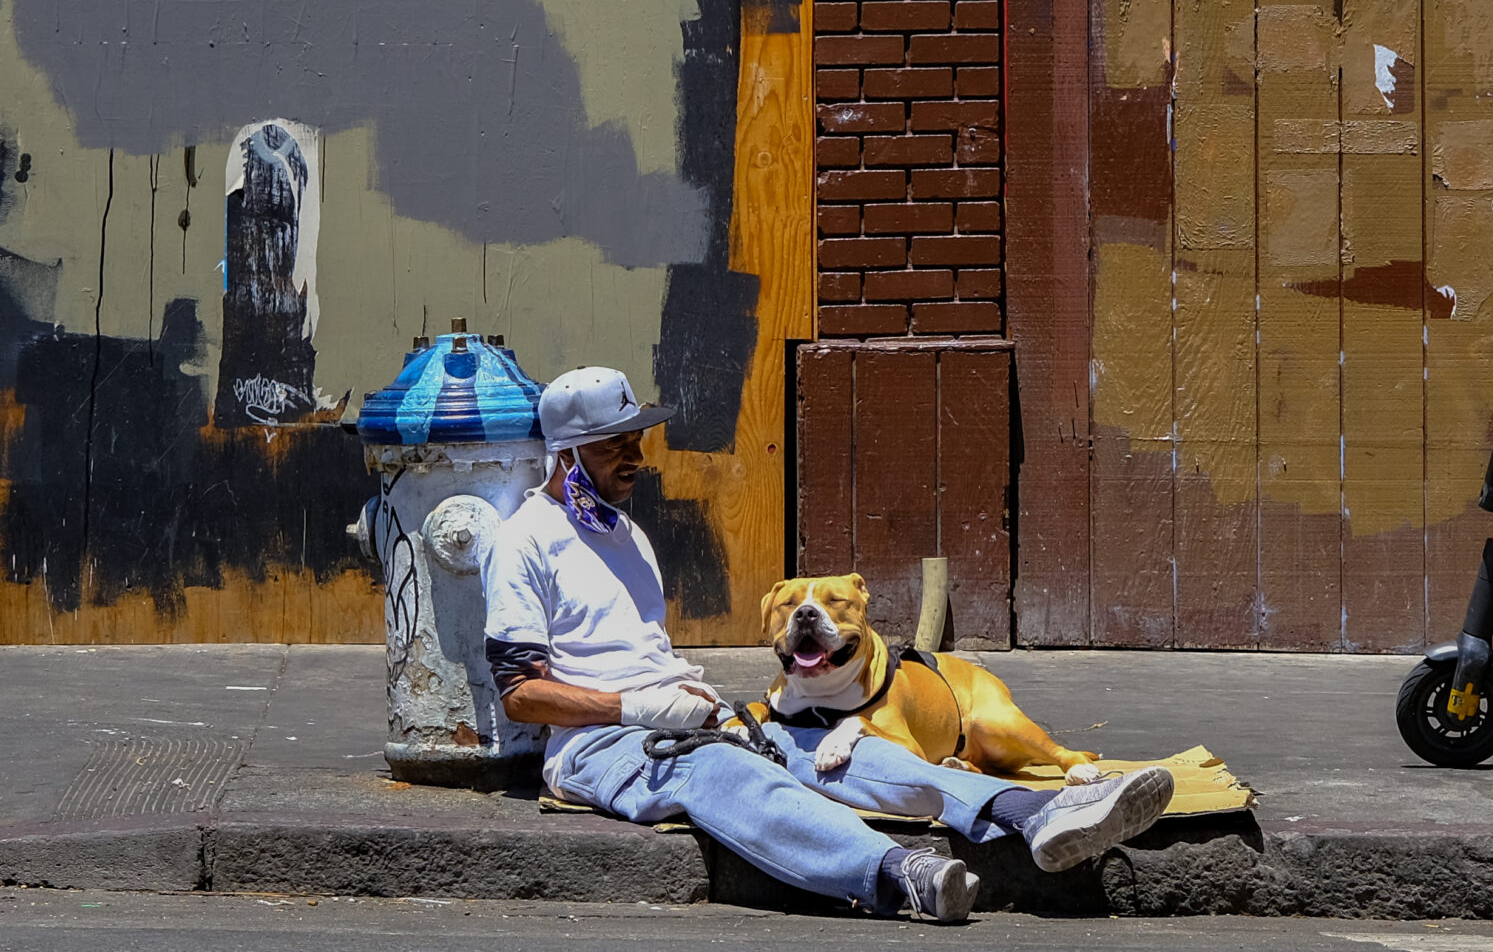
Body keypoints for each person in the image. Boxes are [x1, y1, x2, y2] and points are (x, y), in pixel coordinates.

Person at [482, 366, 1175, 922]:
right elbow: (520, 696)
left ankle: (1038, 813)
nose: (636, 456)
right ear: (565, 453)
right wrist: (636, 708)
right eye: (614, 445)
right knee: (726, 777)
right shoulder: (525, 540)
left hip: (687, 717)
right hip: (599, 747)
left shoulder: (625, 533)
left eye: (637, 438)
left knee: (847, 750)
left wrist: (684, 700)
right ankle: (898, 872)